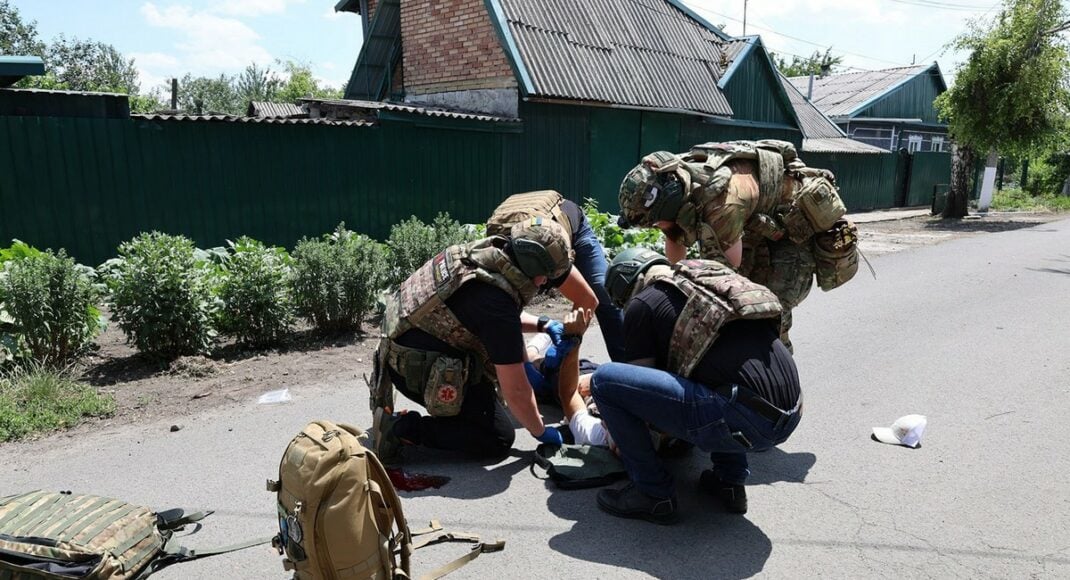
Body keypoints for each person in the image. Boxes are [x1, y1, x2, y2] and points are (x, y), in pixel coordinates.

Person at [590, 248, 803, 524]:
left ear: (624, 288)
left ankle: (653, 494)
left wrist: (616, 431)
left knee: (605, 381)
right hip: (791, 413)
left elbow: (643, 405)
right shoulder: (703, 286)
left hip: (743, 419)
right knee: (721, 376)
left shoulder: (642, 304)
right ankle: (729, 483)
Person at [368, 217, 578, 463]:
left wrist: (542, 324)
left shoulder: (481, 259)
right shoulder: (495, 303)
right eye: (546, 276)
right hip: (415, 370)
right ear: (535, 270)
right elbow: (517, 390)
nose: (545, 282)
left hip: (403, 350)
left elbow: (481, 315)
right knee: (496, 438)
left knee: (487, 401)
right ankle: (400, 430)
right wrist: (541, 432)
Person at [617, 141, 859, 351]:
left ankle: (777, 374)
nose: (656, 228)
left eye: (656, 223)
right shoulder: (674, 176)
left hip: (792, 237)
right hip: (755, 226)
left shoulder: (721, 204)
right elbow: (674, 244)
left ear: (668, 206)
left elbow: (723, 273)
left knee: (766, 308)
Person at [487, 190, 626, 362]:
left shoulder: (546, 256)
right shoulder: (490, 266)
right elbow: (507, 316)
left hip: (564, 222)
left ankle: (628, 365)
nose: (544, 283)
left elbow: (587, 300)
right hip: (518, 221)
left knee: (602, 290)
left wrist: (568, 348)